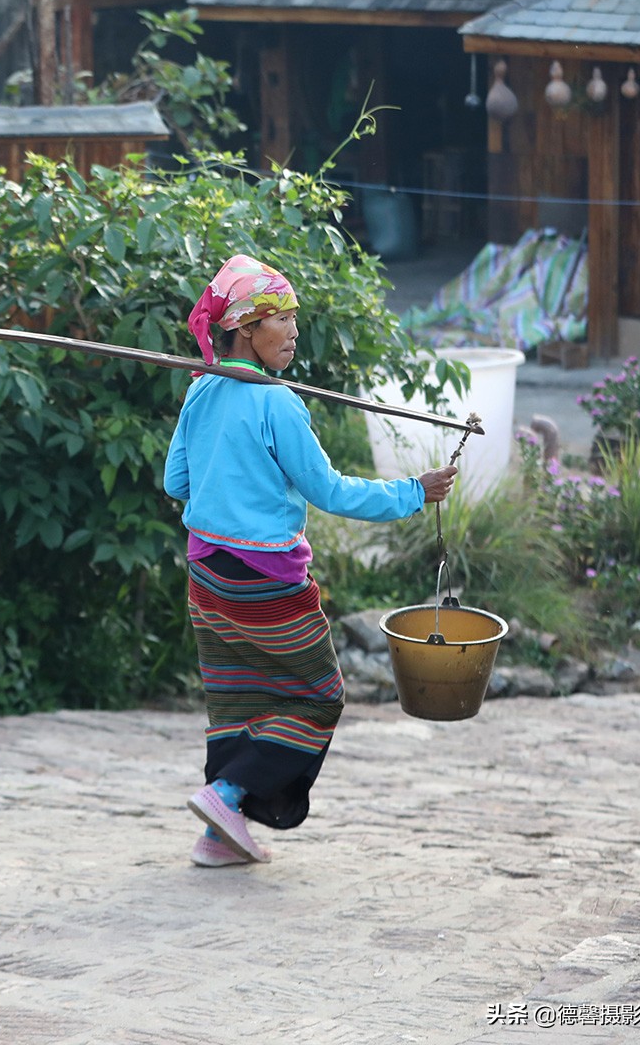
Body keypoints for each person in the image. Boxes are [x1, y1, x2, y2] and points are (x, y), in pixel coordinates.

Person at [163, 254, 457, 868]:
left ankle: (219, 836)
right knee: (319, 694)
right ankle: (228, 792)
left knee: (237, 696)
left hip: (207, 571)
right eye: (283, 321)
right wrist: (413, 492)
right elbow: (329, 492)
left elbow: (177, 480)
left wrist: (231, 482)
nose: (295, 334)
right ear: (247, 329)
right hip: (266, 576)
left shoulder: (201, 391)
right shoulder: (276, 403)